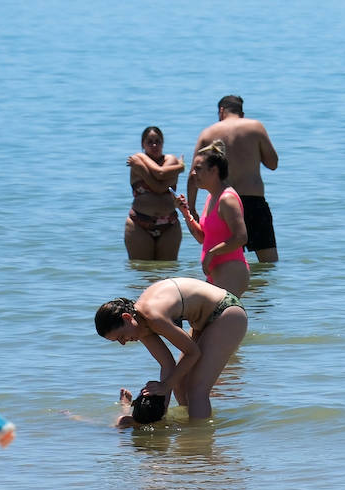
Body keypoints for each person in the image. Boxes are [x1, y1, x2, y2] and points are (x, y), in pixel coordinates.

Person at [94, 277, 248, 421]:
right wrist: (159, 411)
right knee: (179, 383)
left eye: (121, 336)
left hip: (226, 311)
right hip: (202, 321)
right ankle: (187, 426)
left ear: (127, 318)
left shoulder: (153, 316)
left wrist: (165, 385)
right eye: (117, 341)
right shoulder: (140, 326)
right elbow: (167, 365)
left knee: (197, 390)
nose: (123, 343)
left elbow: (193, 353)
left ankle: (198, 442)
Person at [187, 95, 279, 262]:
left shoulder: (208, 134)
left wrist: (192, 208)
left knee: (228, 259)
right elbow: (273, 163)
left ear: (221, 111)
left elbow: (194, 174)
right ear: (241, 113)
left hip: (223, 202)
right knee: (268, 264)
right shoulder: (255, 127)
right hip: (254, 203)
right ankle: (263, 289)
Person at [178, 141, 250, 297]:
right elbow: (203, 238)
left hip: (232, 271)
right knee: (201, 319)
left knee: (217, 320)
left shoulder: (227, 199)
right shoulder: (211, 197)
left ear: (214, 170)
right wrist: (186, 213)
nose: (193, 174)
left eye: (198, 169)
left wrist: (212, 253)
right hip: (215, 273)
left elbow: (241, 237)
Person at [124, 126, 184, 260]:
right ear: (142, 144)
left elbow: (160, 182)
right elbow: (159, 184)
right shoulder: (137, 159)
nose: (154, 145)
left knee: (167, 272)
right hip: (139, 223)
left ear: (163, 143)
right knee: (143, 272)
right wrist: (179, 168)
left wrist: (142, 170)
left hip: (169, 224)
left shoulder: (171, 161)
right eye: (149, 142)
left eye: (158, 141)